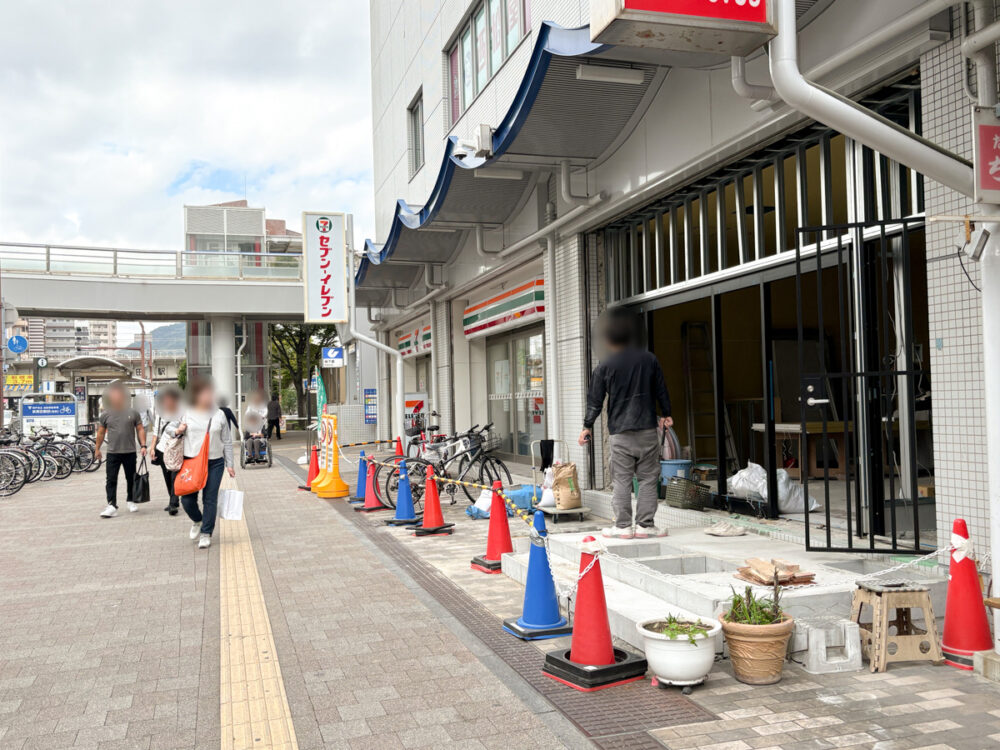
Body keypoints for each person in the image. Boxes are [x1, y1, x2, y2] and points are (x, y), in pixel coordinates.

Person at [579, 309, 673, 540]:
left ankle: (622, 527)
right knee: (648, 479)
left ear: (609, 341)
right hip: (647, 431)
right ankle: (645, 526)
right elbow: (661, 389)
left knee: (621, 480)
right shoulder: (649, 359)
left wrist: (587, 426)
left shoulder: (604, 366)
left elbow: (595, 400)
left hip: (620, 433)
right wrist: (667, 414)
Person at [175, 378, 235, 549]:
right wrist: (178, 431)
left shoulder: (220, 414)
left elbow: (227, 441)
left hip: (215, 462)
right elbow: (171, 430)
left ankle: (206, 532)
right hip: (191, 462)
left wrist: (230, 464)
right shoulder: (187, 413)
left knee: (210, 498)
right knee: (186, 500)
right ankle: (197, 520)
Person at [95, 382, 147, 518]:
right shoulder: (105, 414)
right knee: (111, 479)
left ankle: (131, 500)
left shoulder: (133, 413)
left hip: (129, 451)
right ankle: (112, 505)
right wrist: (97, 449)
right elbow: (100, 433)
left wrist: (143, 445)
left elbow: (140, 428)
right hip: (112, 453)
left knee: (131, 478)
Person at [150, 386, 182, 515]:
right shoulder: (160, 414)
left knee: (174, 476)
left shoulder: (182, 413)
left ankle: (173, 503)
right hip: (163, 448)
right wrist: (152, 448)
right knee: (167, 476)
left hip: (176, 448)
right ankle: (172, 499)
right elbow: (156, 432)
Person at [244, 390, 268, 461]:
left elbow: (265, 435)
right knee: (249, 441)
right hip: (251, 438)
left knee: (256, 441)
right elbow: (246, 436)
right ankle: (250, 455)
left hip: (259, 439)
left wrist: (258, 435)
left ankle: (257, 456)